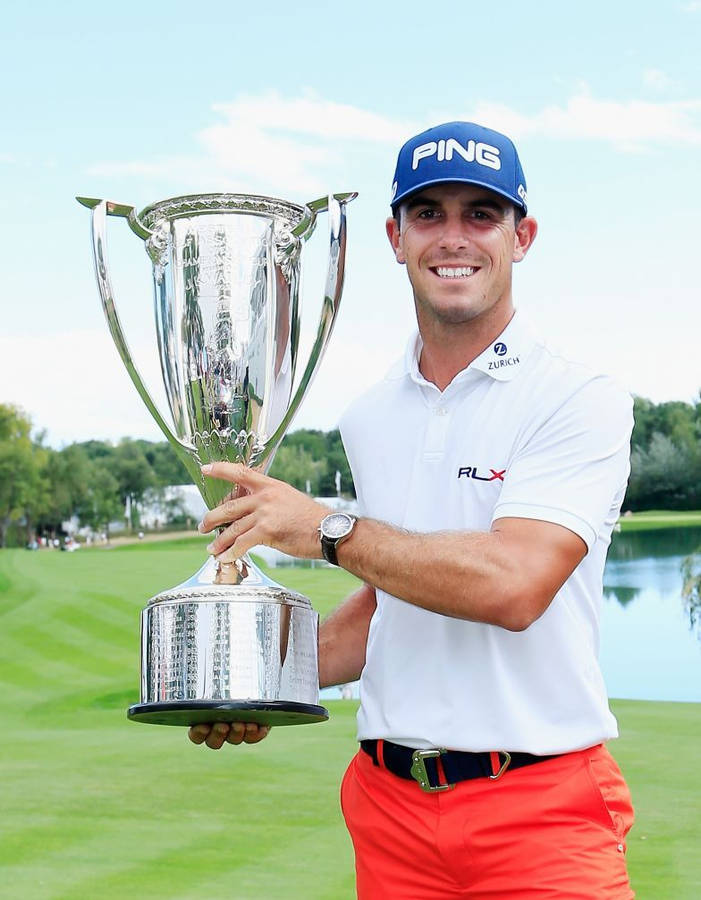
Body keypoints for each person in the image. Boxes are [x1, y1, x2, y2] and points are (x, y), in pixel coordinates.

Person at [189, 121, 635, 899]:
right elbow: (394, 597)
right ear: (395, 238)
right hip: (387, 809)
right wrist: (261, 681)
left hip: (540, 810)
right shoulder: (369, 414)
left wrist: (325, 529)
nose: (451, 236)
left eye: (479, 214)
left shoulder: (576, 396)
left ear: (520, 236)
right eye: (427, 214)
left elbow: (513, 584)